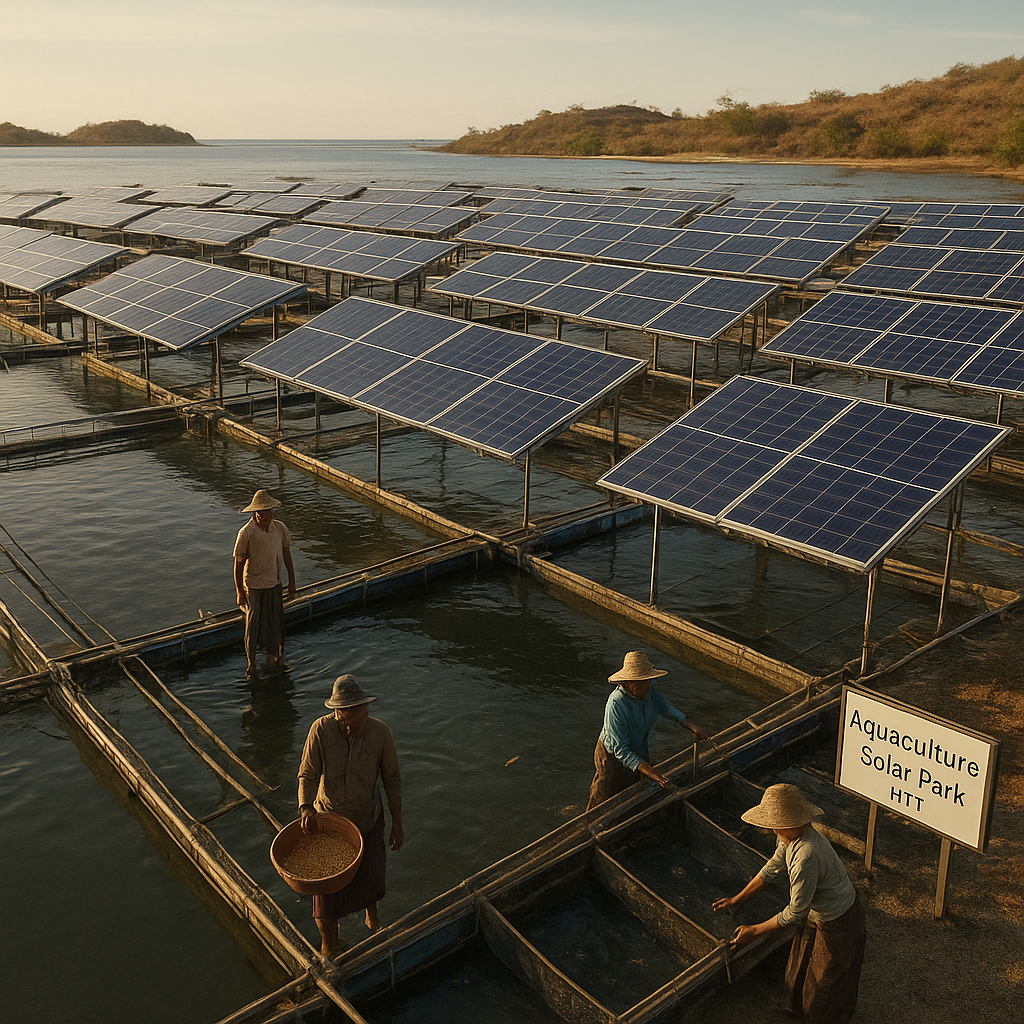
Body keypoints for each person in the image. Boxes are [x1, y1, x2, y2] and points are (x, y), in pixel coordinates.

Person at [712, 783, 866, 1023]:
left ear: (786, 823)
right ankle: (797, 1012)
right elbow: (772, 868)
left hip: (839, 920)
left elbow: (796, 911)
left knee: (825, 985)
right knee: (799, 969)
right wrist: (737, 899)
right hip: (817, 916)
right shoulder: (790, 837)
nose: (772, 828)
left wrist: (754, 931)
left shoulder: (806, 854)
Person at [298, 675, 403, 957]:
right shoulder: (320, 730)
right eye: (348, 722)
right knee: (325, 898)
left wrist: (397, 821)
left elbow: (391, 778)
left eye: (360, 719)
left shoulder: (380, 733)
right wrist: (306, 807)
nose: (354, 726)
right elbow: (307, 774)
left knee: (371, 879)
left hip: (367, 817)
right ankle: (329, 947)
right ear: (337, 714)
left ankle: (372, 916)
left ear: (366, 711)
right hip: (330, 821)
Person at [585, 650, 708, 811]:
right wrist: (652, 772)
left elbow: (663, 707)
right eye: (639, 686)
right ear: (628, 683)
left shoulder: (650, 688)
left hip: (638, 746)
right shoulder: (616, 704)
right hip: (612, 755)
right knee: (605, 794)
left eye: (646, 684)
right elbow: (620, 749)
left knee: (633, 786)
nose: (644, 690)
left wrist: (687, 723)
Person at [233, 489, 296, 677]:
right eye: (262, 512)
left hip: (275, 583)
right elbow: (238, 564)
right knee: (253, 627)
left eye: (268, 512)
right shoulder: (246, 533)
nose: (266, 516)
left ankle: (277, 655)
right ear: (255, 513)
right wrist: (239, 591)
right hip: (253, 585)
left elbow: (286, 555)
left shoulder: (280, 528)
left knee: (276, 624)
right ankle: (251, 663)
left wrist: (291, 582)